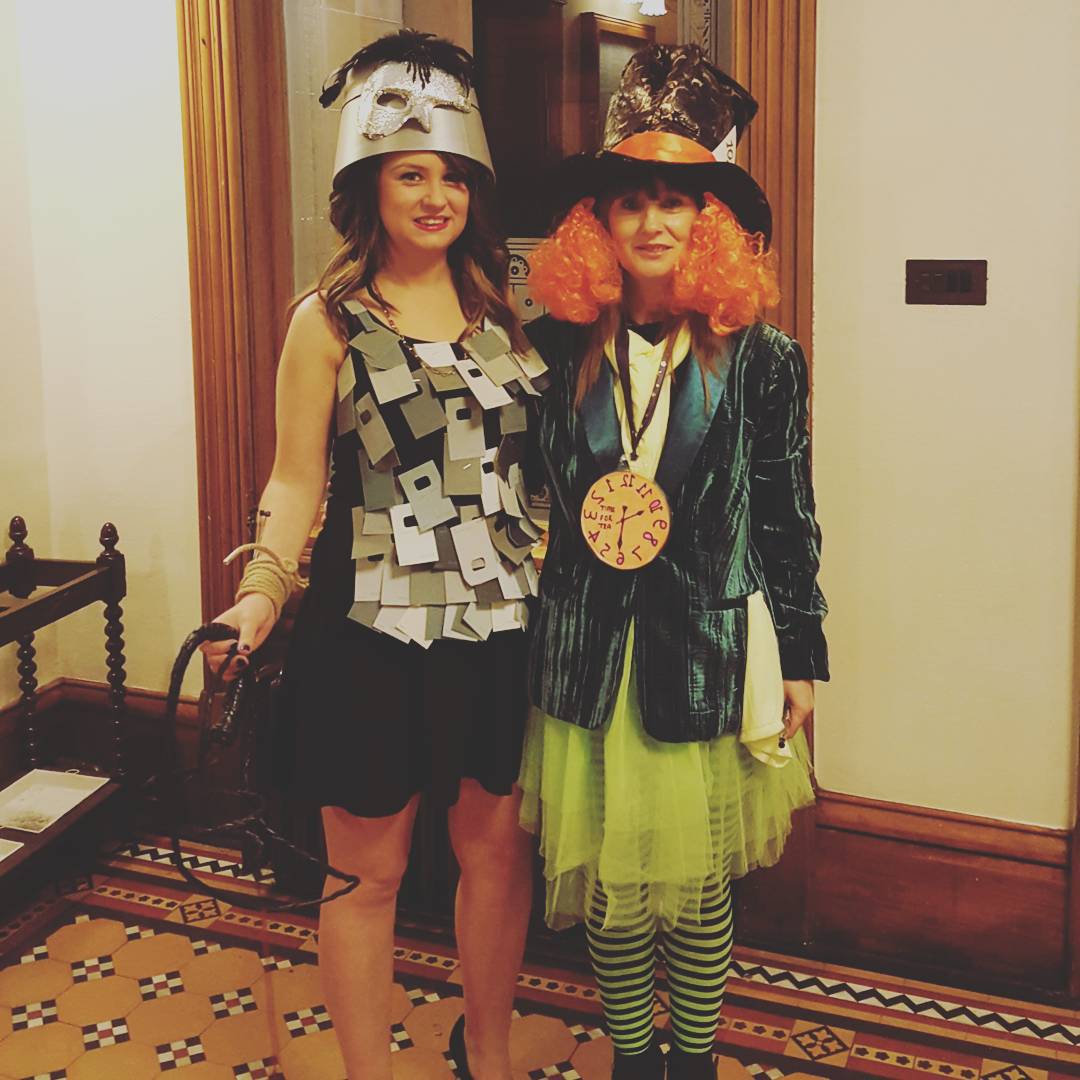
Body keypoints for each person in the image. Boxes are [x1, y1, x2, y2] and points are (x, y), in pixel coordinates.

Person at [201, 31, 545, 1080]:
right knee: (368, 875)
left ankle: (488, 1056)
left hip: (499, 624)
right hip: (368, 630)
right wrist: (258, 596)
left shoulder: (508, 310)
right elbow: (294, 479)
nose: (436, 196)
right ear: (370, 184)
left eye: (452, 175)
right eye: (411, 174)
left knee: (496, 856)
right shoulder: (328, 321)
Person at [518, 44, 829, 1079]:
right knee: (611, 885)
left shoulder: (765, 360)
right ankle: (632, 1056)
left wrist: (804, 657)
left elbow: (787, 514)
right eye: (632, 201)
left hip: (707, 653)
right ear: (597, 225)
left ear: (710, 223)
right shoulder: (550, 352)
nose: (653, 221)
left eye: (677, 201)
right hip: (586, 654)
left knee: (696, 890)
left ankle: (691, 1058)